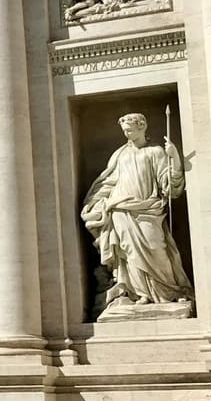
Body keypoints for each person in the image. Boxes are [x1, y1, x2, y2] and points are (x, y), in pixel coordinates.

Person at [81, 113, 192, 312]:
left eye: (130, 130)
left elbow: (169, 185)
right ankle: (140, 293)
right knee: (129, 252)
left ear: (142, 127)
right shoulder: (120, 154)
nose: (127, 134)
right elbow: (109, 181)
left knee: (156, 247)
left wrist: (174, 157)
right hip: (120, 209)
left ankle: (169, 292)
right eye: (124, 131)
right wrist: (95, 202)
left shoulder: (155, 152)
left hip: (147, 209)